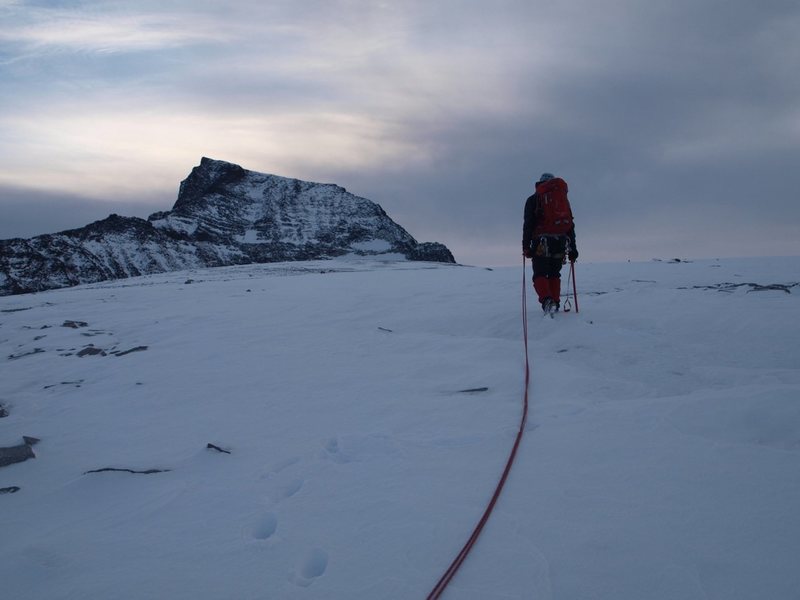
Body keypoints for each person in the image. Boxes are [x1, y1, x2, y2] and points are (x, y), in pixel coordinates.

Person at [522, 172, 578, 313]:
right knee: (554, 273)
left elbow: (528, 225)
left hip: (541, 242)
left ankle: (547, 301)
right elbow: (570, 225)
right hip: (560, 241)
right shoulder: (563, 200)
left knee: (540, 274)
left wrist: (526, 247)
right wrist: (573, 248)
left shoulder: (533, 199)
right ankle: (555, 302)